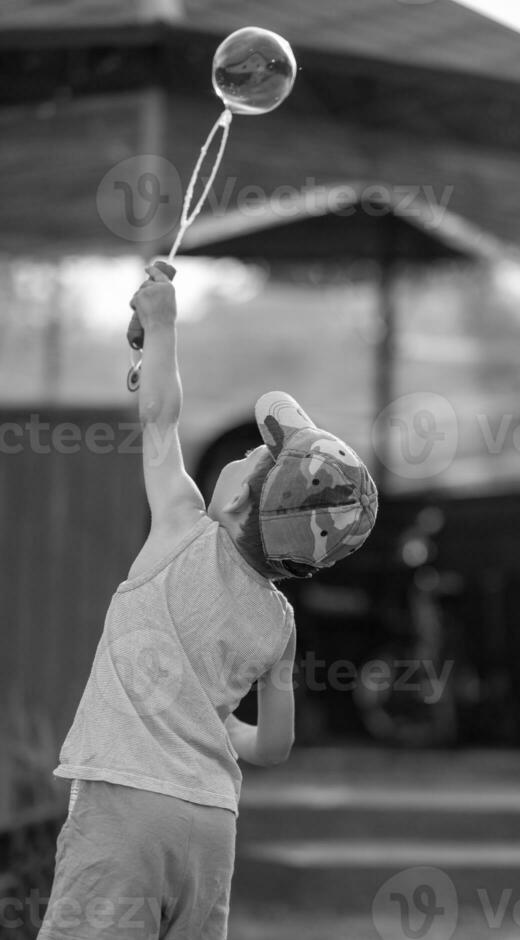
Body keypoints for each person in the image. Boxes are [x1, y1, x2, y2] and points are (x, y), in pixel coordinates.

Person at [37, 264, 378, 940]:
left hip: (124, 802)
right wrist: (221, 728)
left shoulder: (179, 529)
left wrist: (160, 326)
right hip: (210, 824)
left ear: (233, 499)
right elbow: (275, 745)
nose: (248, 450)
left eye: (255, 455)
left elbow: (160, 418)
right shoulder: (279, 624)